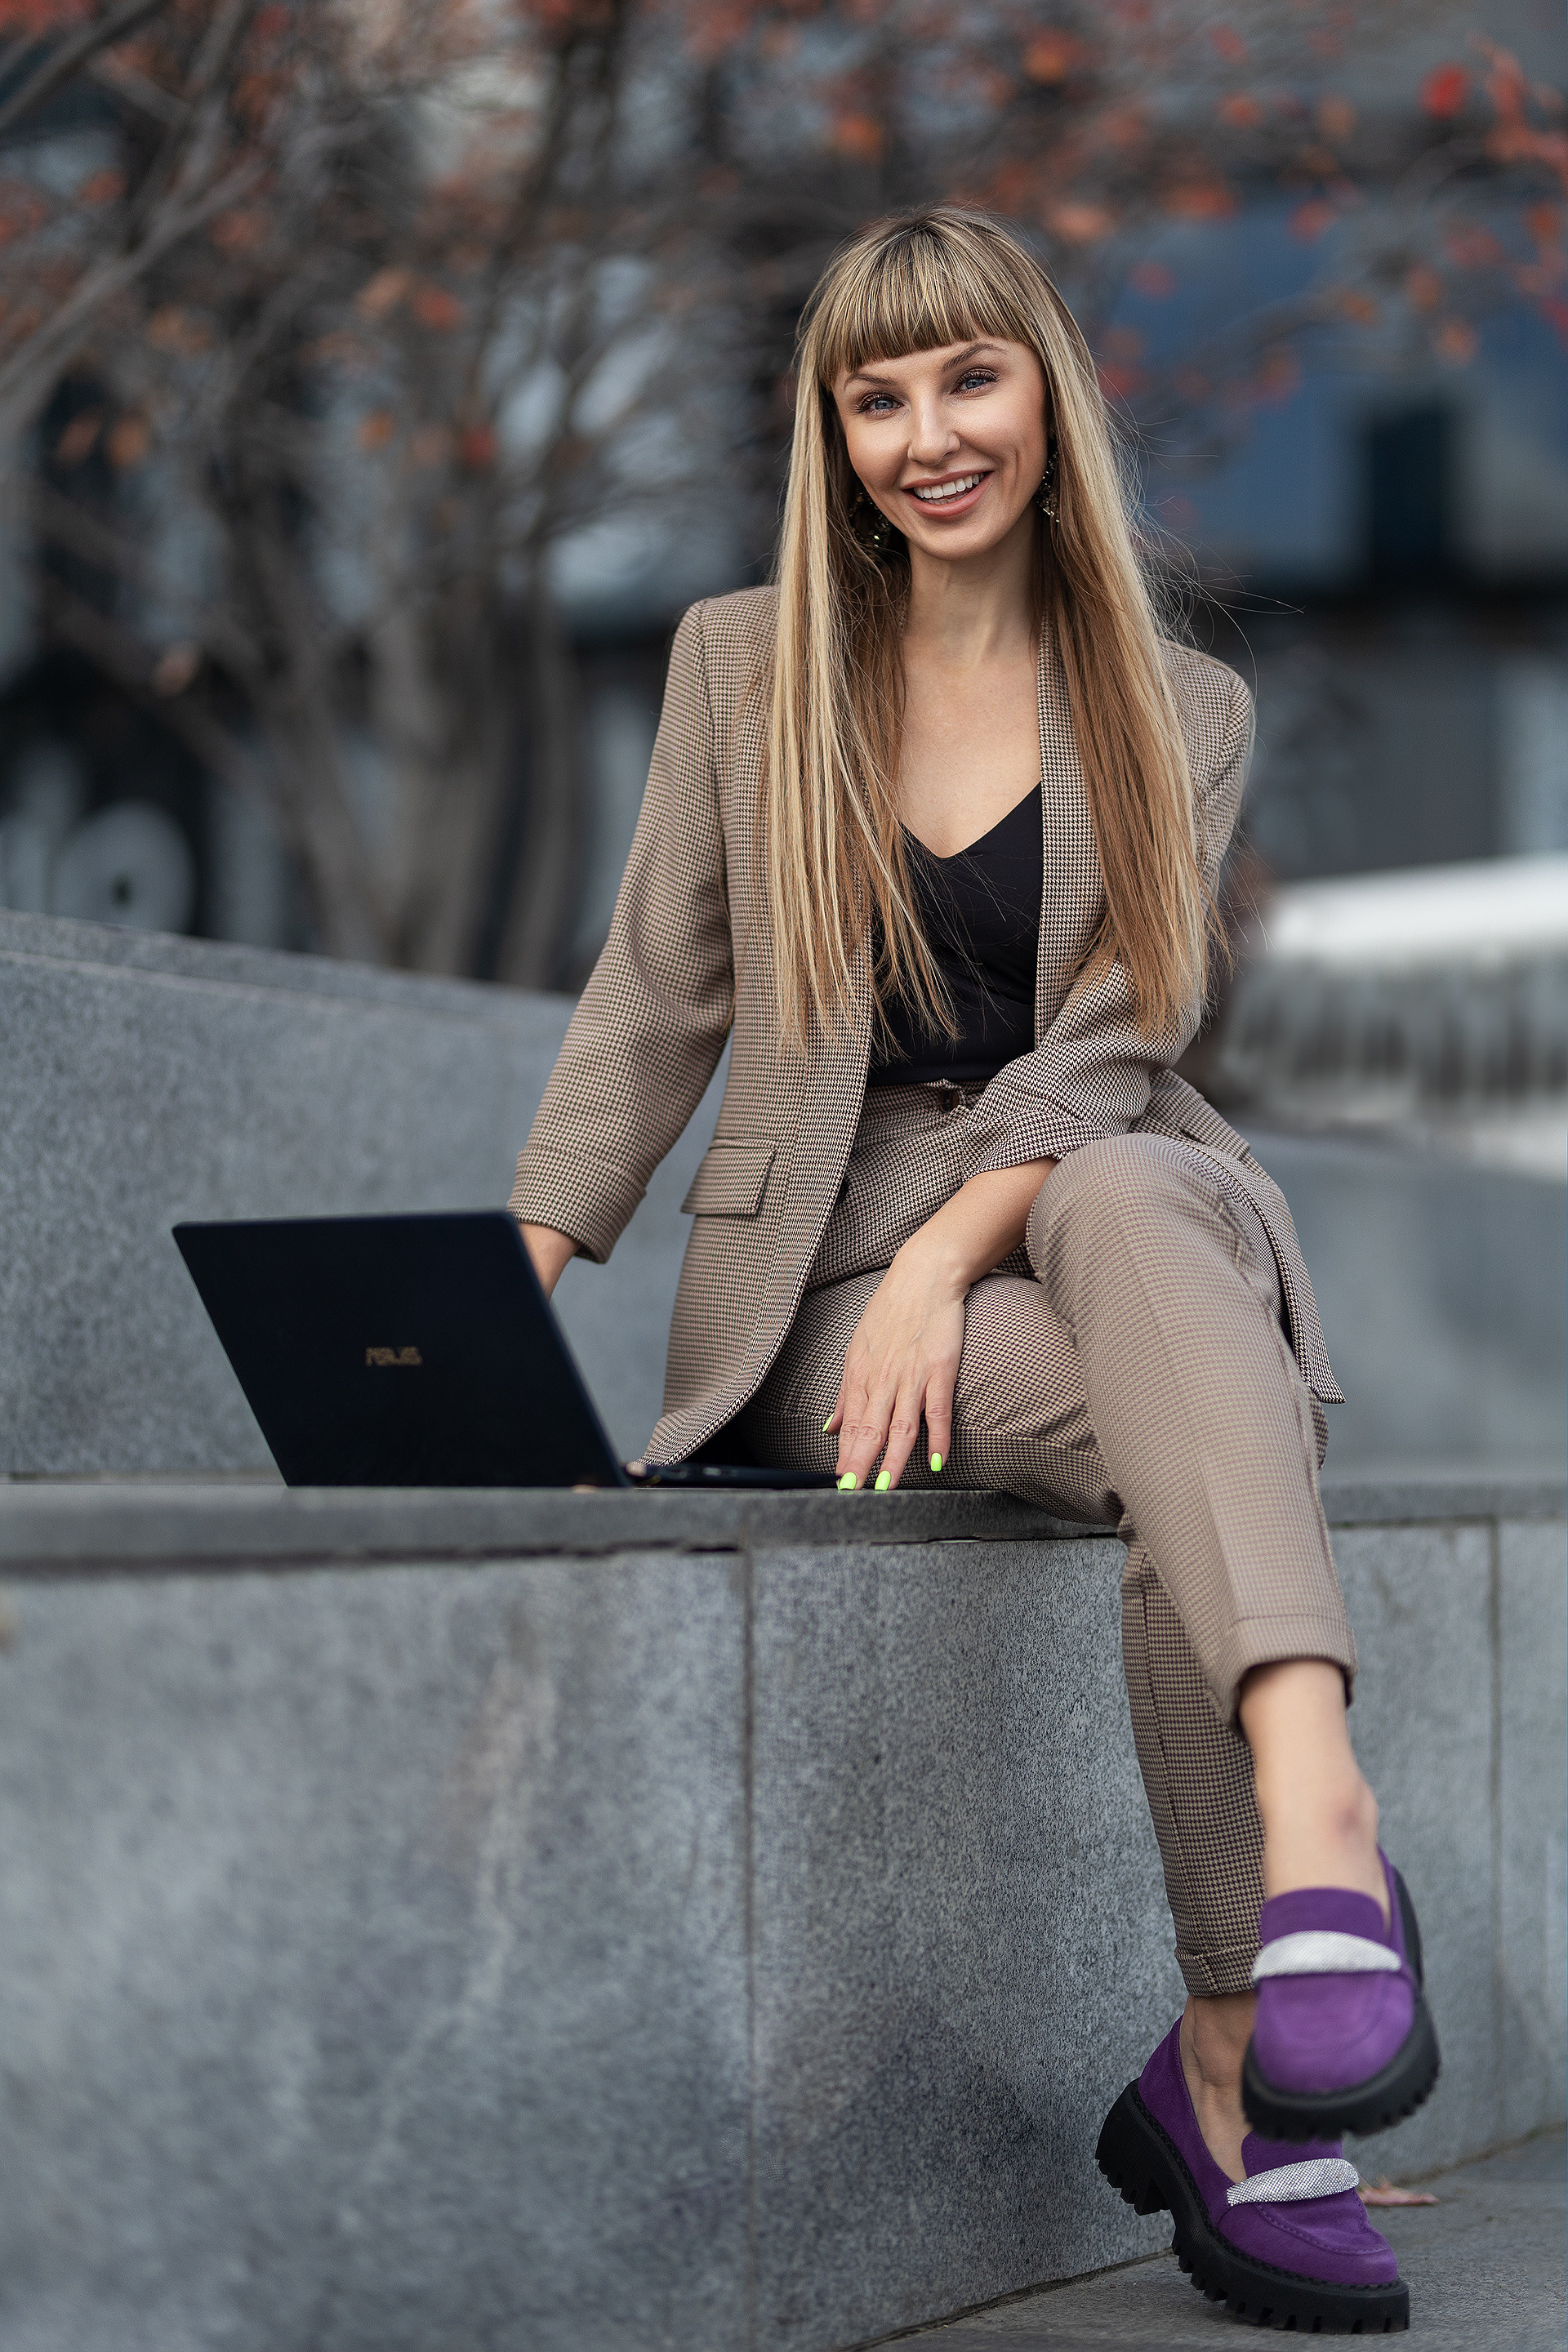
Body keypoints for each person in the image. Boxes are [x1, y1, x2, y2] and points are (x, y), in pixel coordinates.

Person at [510, 207, 1438, 2332]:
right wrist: (510, 1283)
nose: (928, 435)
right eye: (877, 394)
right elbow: (653, 998)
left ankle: (1292, 1866)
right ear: (836, 433)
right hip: (824, 1298)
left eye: (968, 380)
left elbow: (1124, 1045)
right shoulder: (745, 669)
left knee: (1129, 1203)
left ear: (1048, 396)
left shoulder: (1180, 704)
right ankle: (1261, 2026)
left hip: (1083, 1205)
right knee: (1208, 1423)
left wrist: (963, 1240)